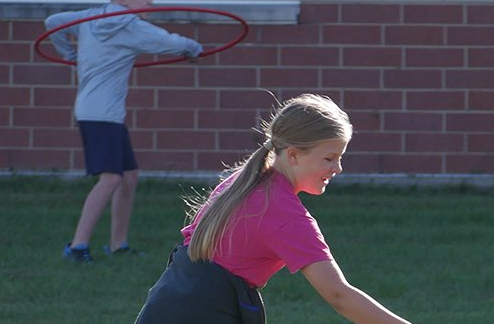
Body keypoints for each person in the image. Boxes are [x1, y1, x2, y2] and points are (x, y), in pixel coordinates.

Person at [135, 94, 412, 324]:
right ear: (293, 154)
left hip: (166, 305)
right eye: (329, 158)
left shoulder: (244, 181)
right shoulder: (285, 214)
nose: (337, 168)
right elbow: (338, 294)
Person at [45, 0, 203, 263]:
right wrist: (194, 48)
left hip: (101, 112)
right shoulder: (130, 26)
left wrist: (68, 52)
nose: (150, 2)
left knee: (129, 176)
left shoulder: (93, 17)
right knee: (110, 179)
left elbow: (53, 22)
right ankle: (77, 247)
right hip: (101, 114)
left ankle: (118, 244)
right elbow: (170, 42)